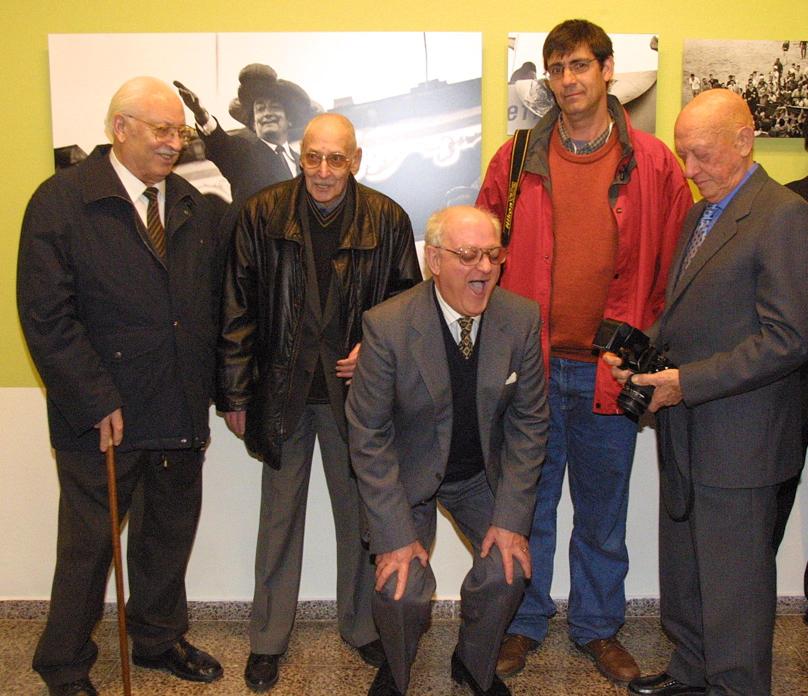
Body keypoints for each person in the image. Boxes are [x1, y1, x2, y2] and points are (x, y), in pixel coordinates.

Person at [476, 19, 692, 684]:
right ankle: (523, 623)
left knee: (603, 512)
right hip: (532, 373)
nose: (567, 80)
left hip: (609, 376)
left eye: (579, 66)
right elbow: (481, 258)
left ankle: (598, 628)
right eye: (556, 68)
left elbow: (681, 268)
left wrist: (652, 351)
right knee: (528, 509)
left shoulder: (653, 164)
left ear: (606, 72)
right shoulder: (513, 163)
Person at [17, 76, 226, 696]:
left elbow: (204, 303)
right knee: (88, 551)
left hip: (179, 405)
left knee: (167, 536)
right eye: (161, 130)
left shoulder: (189, 202)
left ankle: (159, 638)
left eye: (179, 131)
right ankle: (62, 664)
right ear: (120, 129)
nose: (172, 142)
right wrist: (93, 398)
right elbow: (45, 314)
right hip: (103, 415)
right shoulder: (61, 201)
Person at [606, 89, 808, 696]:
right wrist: (642, 357)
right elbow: (685, 312)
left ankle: (737, 686)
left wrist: (685, 383)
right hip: (687, 428)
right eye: (682, 155)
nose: (688, 171)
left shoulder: (784, 216)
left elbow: (789, 339)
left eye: (700, 155)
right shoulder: (702, 213)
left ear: (744, 143)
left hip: (741, 438)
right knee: (689, 570)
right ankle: (694, 673)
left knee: (736, 585)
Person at [217, 112, 421, 692]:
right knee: (278, 519)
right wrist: (234, 391)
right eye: (314, 157)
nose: (324, 171)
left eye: (336, 159)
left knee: (361, 517)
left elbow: (407, 307)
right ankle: (267, 639)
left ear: (356, 159)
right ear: (299, 157)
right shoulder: (261, 213)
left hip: (354, 400)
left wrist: (374, 351)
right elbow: (236, 306)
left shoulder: (387, 219)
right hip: (280, 395)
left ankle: (360, 628)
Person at [346, 205, 548, 696]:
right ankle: (395, 670)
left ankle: (473, 665)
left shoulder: (520, 318)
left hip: (480, 473)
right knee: (401, 590)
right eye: (467, 256)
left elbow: (529, 424)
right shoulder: (388, 325)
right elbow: (367, 433)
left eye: (492, 255)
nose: (483, 268)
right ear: (434, 259)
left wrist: (510, 519)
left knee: (508, 569)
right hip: (408, 473)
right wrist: (393, 534)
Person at [175, 63, 317, 204]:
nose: (267, 113)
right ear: (254, 124)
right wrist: (201, 114)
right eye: (260, 109)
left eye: (275, 107)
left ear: (289, 120)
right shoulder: (243, 154)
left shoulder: (303, 164)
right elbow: (220, 142)